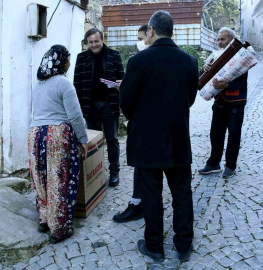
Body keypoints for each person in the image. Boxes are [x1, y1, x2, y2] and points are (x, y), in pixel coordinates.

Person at [119, 11, 198, 262]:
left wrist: (142, 118)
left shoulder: (138, 61)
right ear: (171, 31)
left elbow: (126, 102)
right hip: (177, 137)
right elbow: (190, 99)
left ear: (150, 31)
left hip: (146, 139)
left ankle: (154, 246)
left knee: (151, 194)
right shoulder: (189, 61)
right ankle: (184, 245)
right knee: (182, 193)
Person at [29, 45, 88, 244]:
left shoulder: (37, 85)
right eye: (68, 59)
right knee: (59, 180)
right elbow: (75, 116)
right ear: (62, 63)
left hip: (35, 134)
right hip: (56, 134)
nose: (70, 63)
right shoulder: (64, 83)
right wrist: (83, 139)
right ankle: (59, 229)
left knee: (41, 177)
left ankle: (44, 219)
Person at [74, 28, 125, 187]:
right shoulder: (81, 58)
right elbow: (77, 84)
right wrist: (80, 108)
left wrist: (119, 86)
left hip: (110, 104)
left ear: (102, 40)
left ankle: (114, 172)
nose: (94, 45)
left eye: (96, 41)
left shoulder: (114, 55)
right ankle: (96, 173)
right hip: (90, 106)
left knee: (112, 139)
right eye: (91, 42)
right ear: (87, 43)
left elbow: (122, 79)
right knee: (93, 141)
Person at [198, 27, 248, 178]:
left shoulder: (240, 56)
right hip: (219, 101)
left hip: (236, 101)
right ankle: (213, 164)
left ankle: (230, 166)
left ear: (231, 40)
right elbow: (203, 76)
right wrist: (204, 68)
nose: (219, 42)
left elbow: (242, 81)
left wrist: (226, 85)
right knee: (215, 134)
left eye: (223, 39)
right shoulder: (214, 55)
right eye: (218, 39)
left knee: (233, 134)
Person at [112, 24, 149, 223]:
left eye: (141, 38)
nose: (139, 42)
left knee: (142, 166)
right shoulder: (185, 60)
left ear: (151, 34)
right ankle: (141, 202)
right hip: (170, 129)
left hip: (143, 126)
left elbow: (128, 98)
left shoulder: (137, 61)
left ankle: (139, 205)